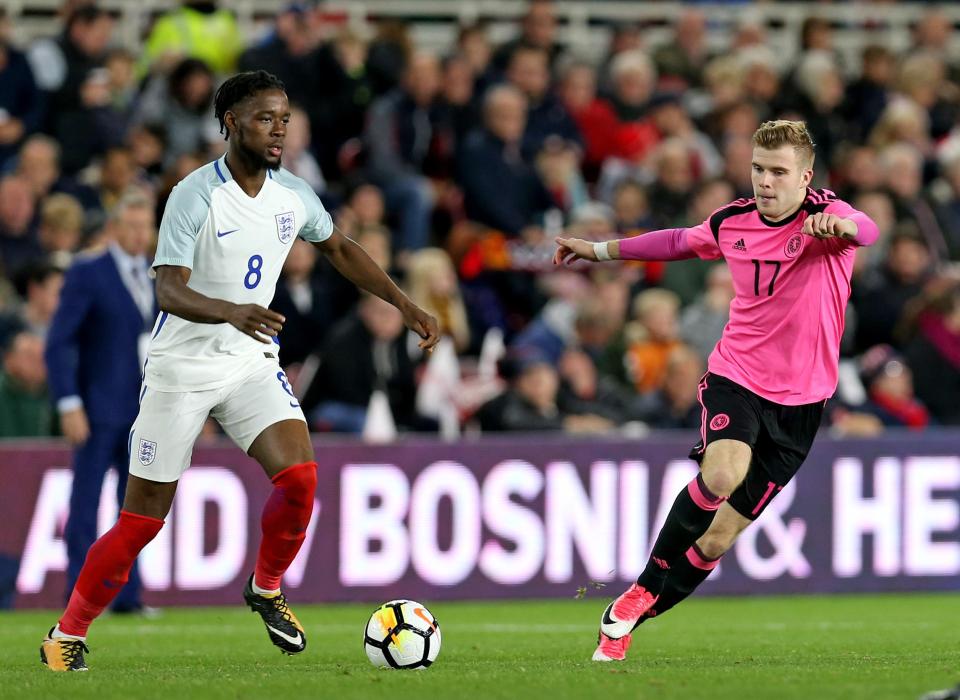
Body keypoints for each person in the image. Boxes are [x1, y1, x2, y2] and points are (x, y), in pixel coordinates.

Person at [39, 70, 440, 672]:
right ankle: (66, 634)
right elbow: (170, 289)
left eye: (283, 118)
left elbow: (340, 249)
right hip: (182, 368)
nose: (278, 130)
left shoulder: (294, 193)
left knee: (301, 477)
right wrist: (232, 311)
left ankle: (268, 586)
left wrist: (403, 302)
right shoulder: (193, 194)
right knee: (141, 522)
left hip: (250, 360)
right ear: (230, 123)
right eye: (264, 118)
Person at [554, 120, 878, 662]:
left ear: (805, 176)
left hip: (803, 404)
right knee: (722, 474)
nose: (765, 182)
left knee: (716, 541)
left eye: (778, 172)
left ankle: (629, 621)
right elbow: (679, 241)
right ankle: (641, 586)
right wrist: (598, 249)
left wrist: (841, 228)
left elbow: (866, 229)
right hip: (738, 376)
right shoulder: (733, 221)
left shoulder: (829, 217)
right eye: (758, 169)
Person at [44, 193, 158, 616]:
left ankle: (127, 596)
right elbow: (60, 341)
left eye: (145, 225)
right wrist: (69, 401)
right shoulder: (88, 272)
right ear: (114, 227)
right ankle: (77, 596)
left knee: (137, 509)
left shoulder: (157, 275)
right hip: (96, 409)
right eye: (131, 225)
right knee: (85, 504)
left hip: (143, 413)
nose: (138, 234)